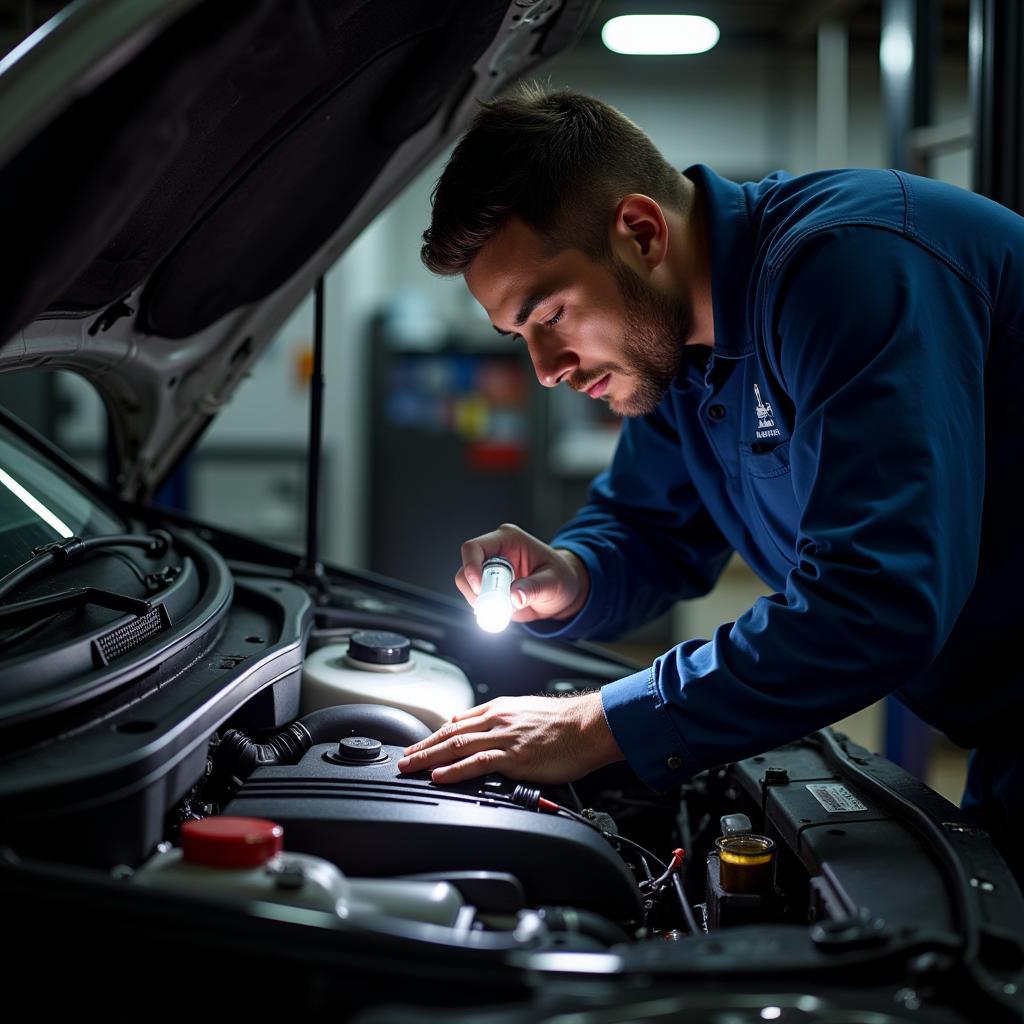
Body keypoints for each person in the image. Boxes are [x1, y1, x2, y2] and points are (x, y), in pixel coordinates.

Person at [398, 83, 1024, 880]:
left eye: (549, 314)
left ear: (640, 231)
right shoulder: (678, 352)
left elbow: (876, 603)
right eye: (518, 335)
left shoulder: (851, 268)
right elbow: (649, 527)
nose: (546, 370)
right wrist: (573, 574)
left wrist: (598, 724)